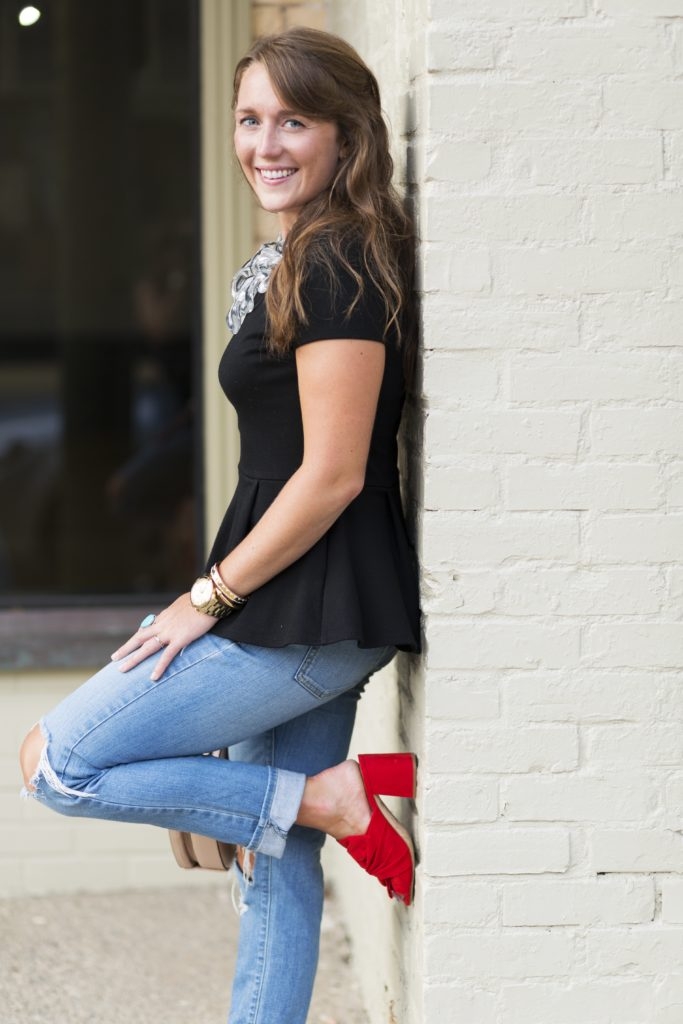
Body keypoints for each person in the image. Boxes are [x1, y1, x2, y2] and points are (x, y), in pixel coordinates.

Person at [19, 26, 420, 1024]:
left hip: (305, 613)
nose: (265, 143)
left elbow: (329, 476)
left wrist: (205, 600)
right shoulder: (302, 254)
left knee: (59, 760)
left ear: (345, 136)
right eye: (249, 120)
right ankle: (309, 809)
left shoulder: (336, 263)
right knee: (275, 874)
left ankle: (325, 796)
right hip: (298, 605)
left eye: (294, 120)